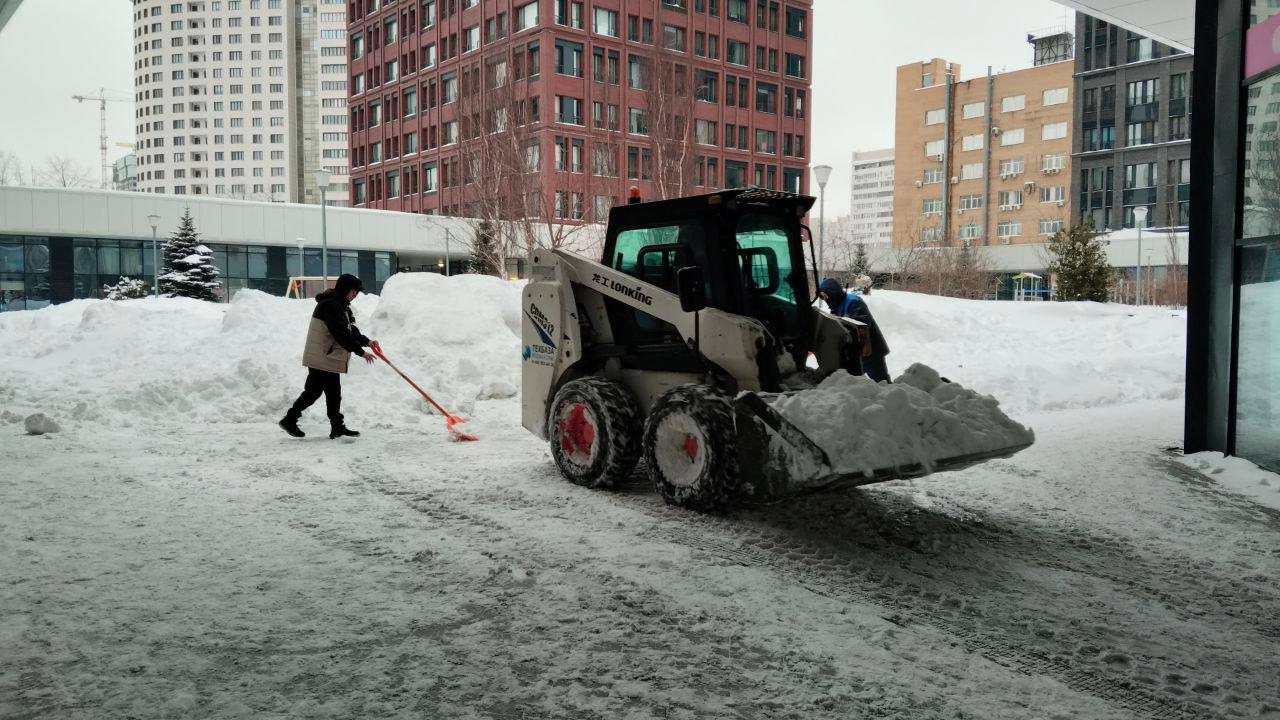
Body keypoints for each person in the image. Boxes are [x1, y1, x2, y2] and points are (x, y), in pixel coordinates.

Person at [279, 273, 379, 439]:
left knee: (315, 392)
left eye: (357, 293)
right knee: (330, 393)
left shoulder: (342, 306)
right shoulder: (331, 305)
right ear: (345, 289)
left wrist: (367, 342)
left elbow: (351, 330)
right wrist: (360, 352)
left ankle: (292, 419)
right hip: (324, 355)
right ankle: (334, 426)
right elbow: (340, 334)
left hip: (325, 356)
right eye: (354, 291)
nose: (355, 295)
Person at [817, 277, 891, 383]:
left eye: (825, 296)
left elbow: (864, 322)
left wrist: (845, 322)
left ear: (833, 292)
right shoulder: (836, 306)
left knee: (881, 381)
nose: (825, 299)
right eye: (822, 297)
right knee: (855, 383)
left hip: (871, 349)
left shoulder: (854, 302)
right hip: (857, 350)